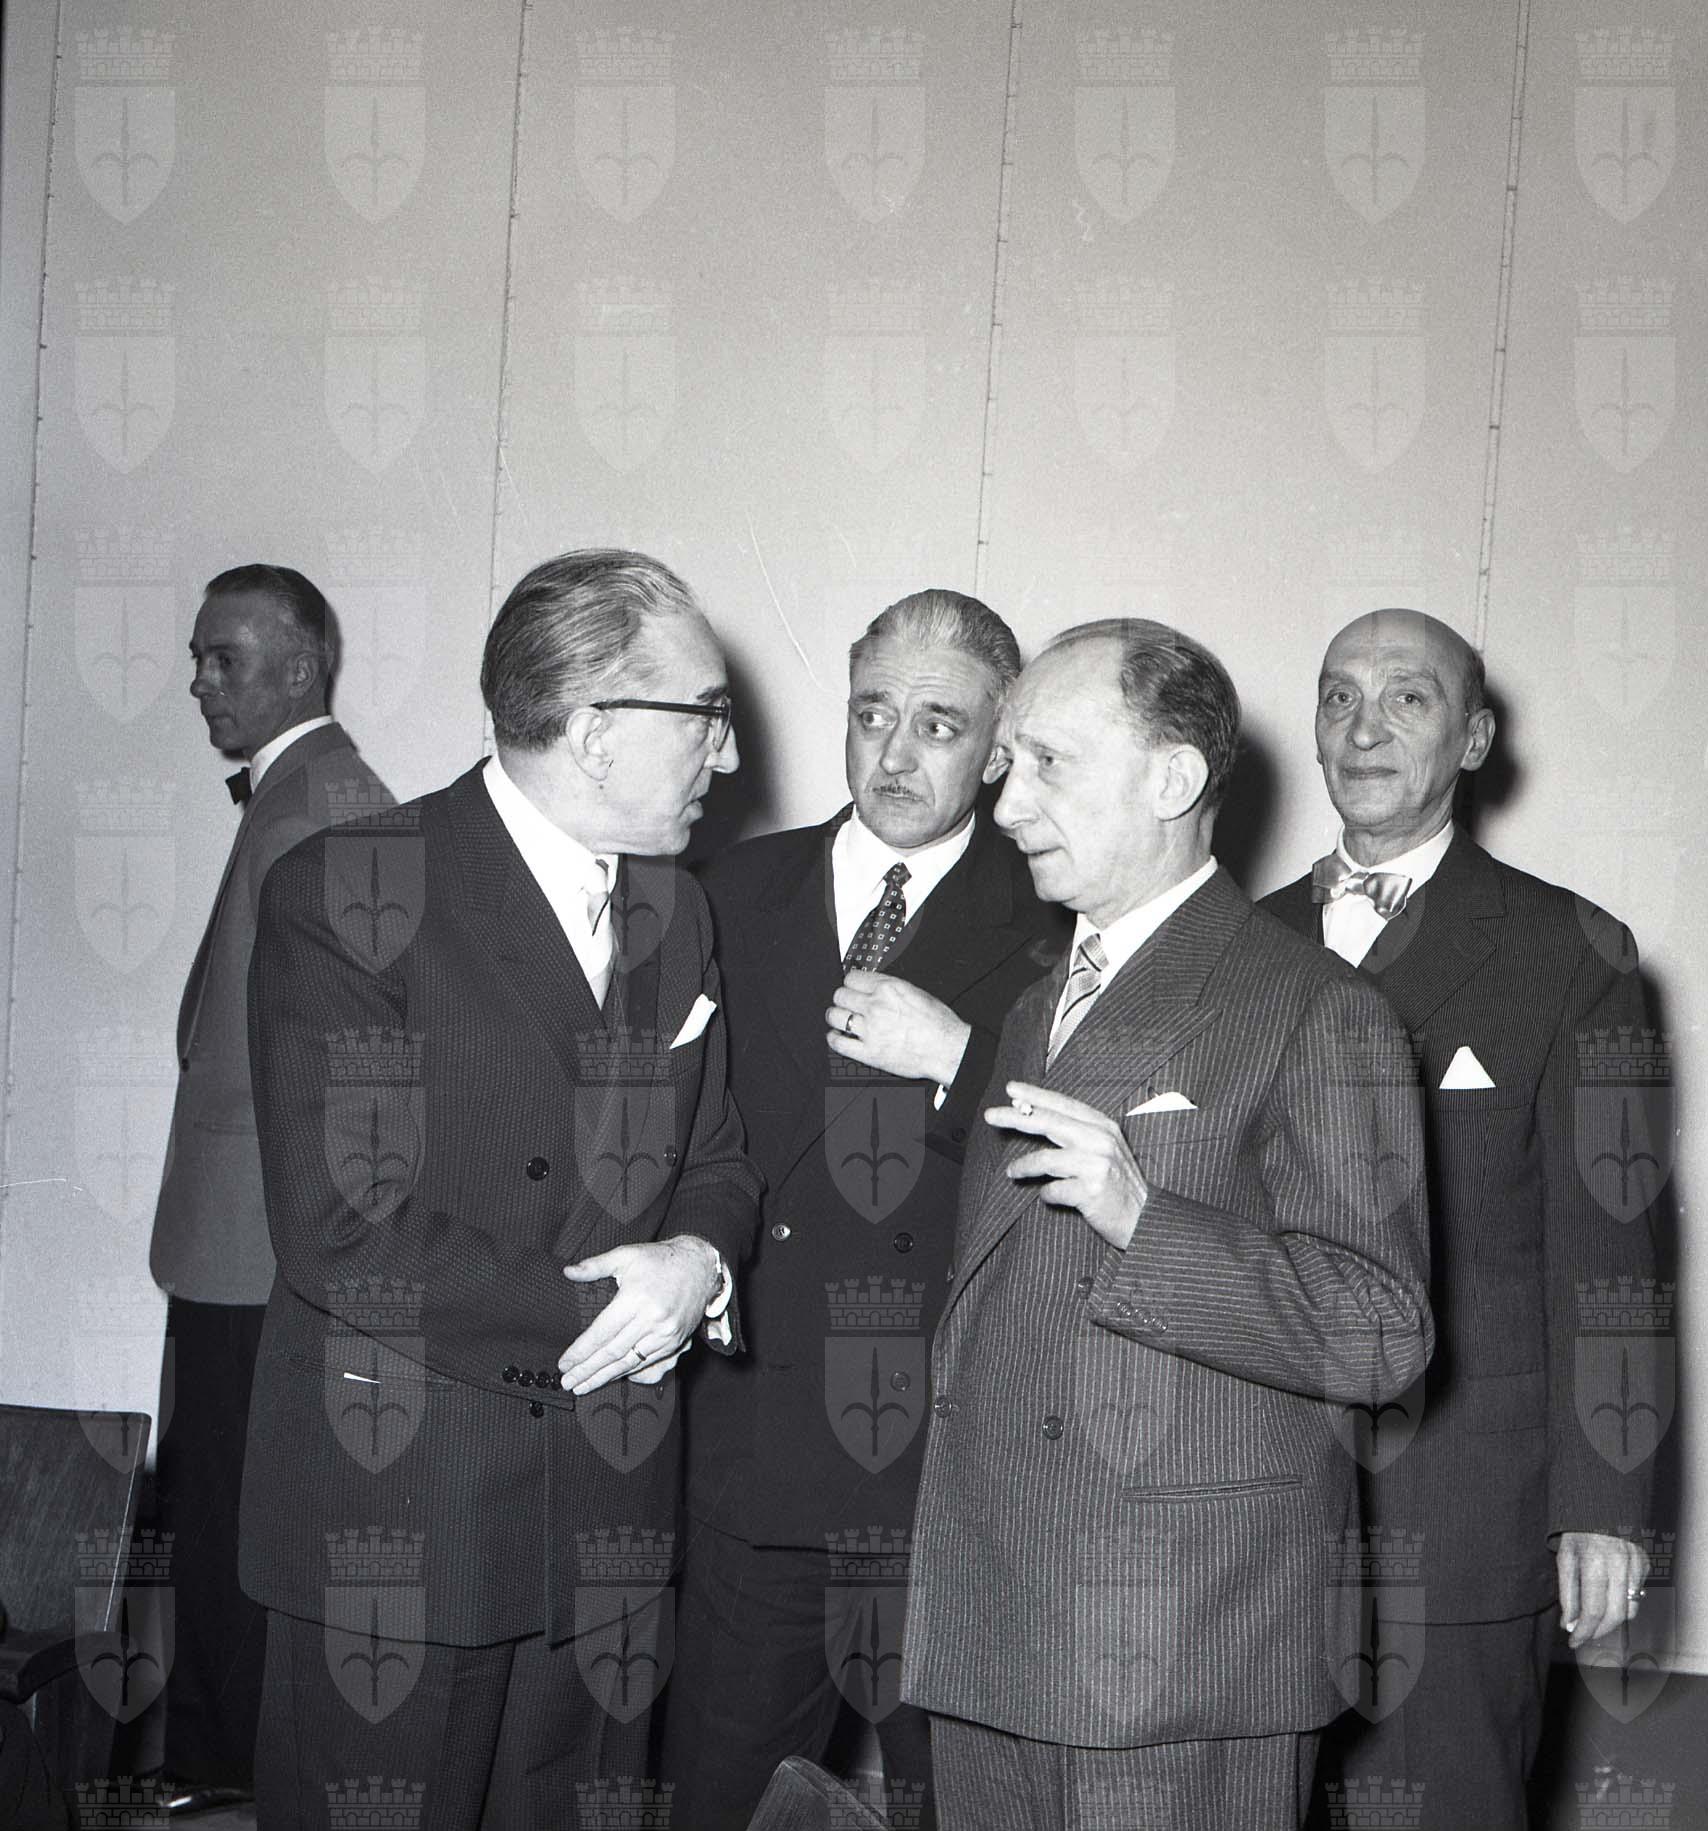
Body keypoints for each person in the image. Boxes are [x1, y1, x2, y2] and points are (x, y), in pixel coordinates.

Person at [236, 550, 762, 1827]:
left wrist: (697, 1263)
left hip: (608, 1524)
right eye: (705, 714)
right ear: (594, 728)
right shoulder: (350, 890)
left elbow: (718, 1158)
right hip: (405, 1516)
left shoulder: (680, 913)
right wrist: (620, 1313)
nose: (731, 753)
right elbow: (342, 1226)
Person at [902, 618, 1432, 1831]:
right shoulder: (1035, 1004)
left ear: (1173, 777)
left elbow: (1380, 1331)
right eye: (1008, 765)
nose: (1005, 804)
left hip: (1177, 1649)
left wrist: (1146, 1220)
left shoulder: (1314, 1007)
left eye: (1048, 763)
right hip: (992, 1620)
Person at [661, 590, 1070, 1830]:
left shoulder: (1058, 920)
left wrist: (958, 1060)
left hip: (942, 1476)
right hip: (753, 1455)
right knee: (720, 1800)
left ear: (996, 750)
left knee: (960, 1806)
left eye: (938, 725)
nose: (894, 753)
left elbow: (1100, 1176)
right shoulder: (724, 890)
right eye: (871, 714)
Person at [1261, 609, 1664, 1831]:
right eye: (1337, 697)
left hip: (1458, 1514)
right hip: (1250, 1517)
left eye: (1407, 698)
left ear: (1475, 738)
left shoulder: (1569, 953)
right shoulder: (1233, 944)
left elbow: (1611, 1250)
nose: (1362, 727)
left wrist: (1603, 1503)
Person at [148, 563, 391, 1815]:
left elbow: (356, 1060)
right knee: (210, 1506)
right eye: (197, 657)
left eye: (223, 658)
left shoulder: (327, 803)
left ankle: (222, 1767)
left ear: (299, 668)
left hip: (260, 1246)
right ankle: (213, 1758)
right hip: (231, 1240)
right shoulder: (299, 794)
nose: (199, 681)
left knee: (229, 1518)